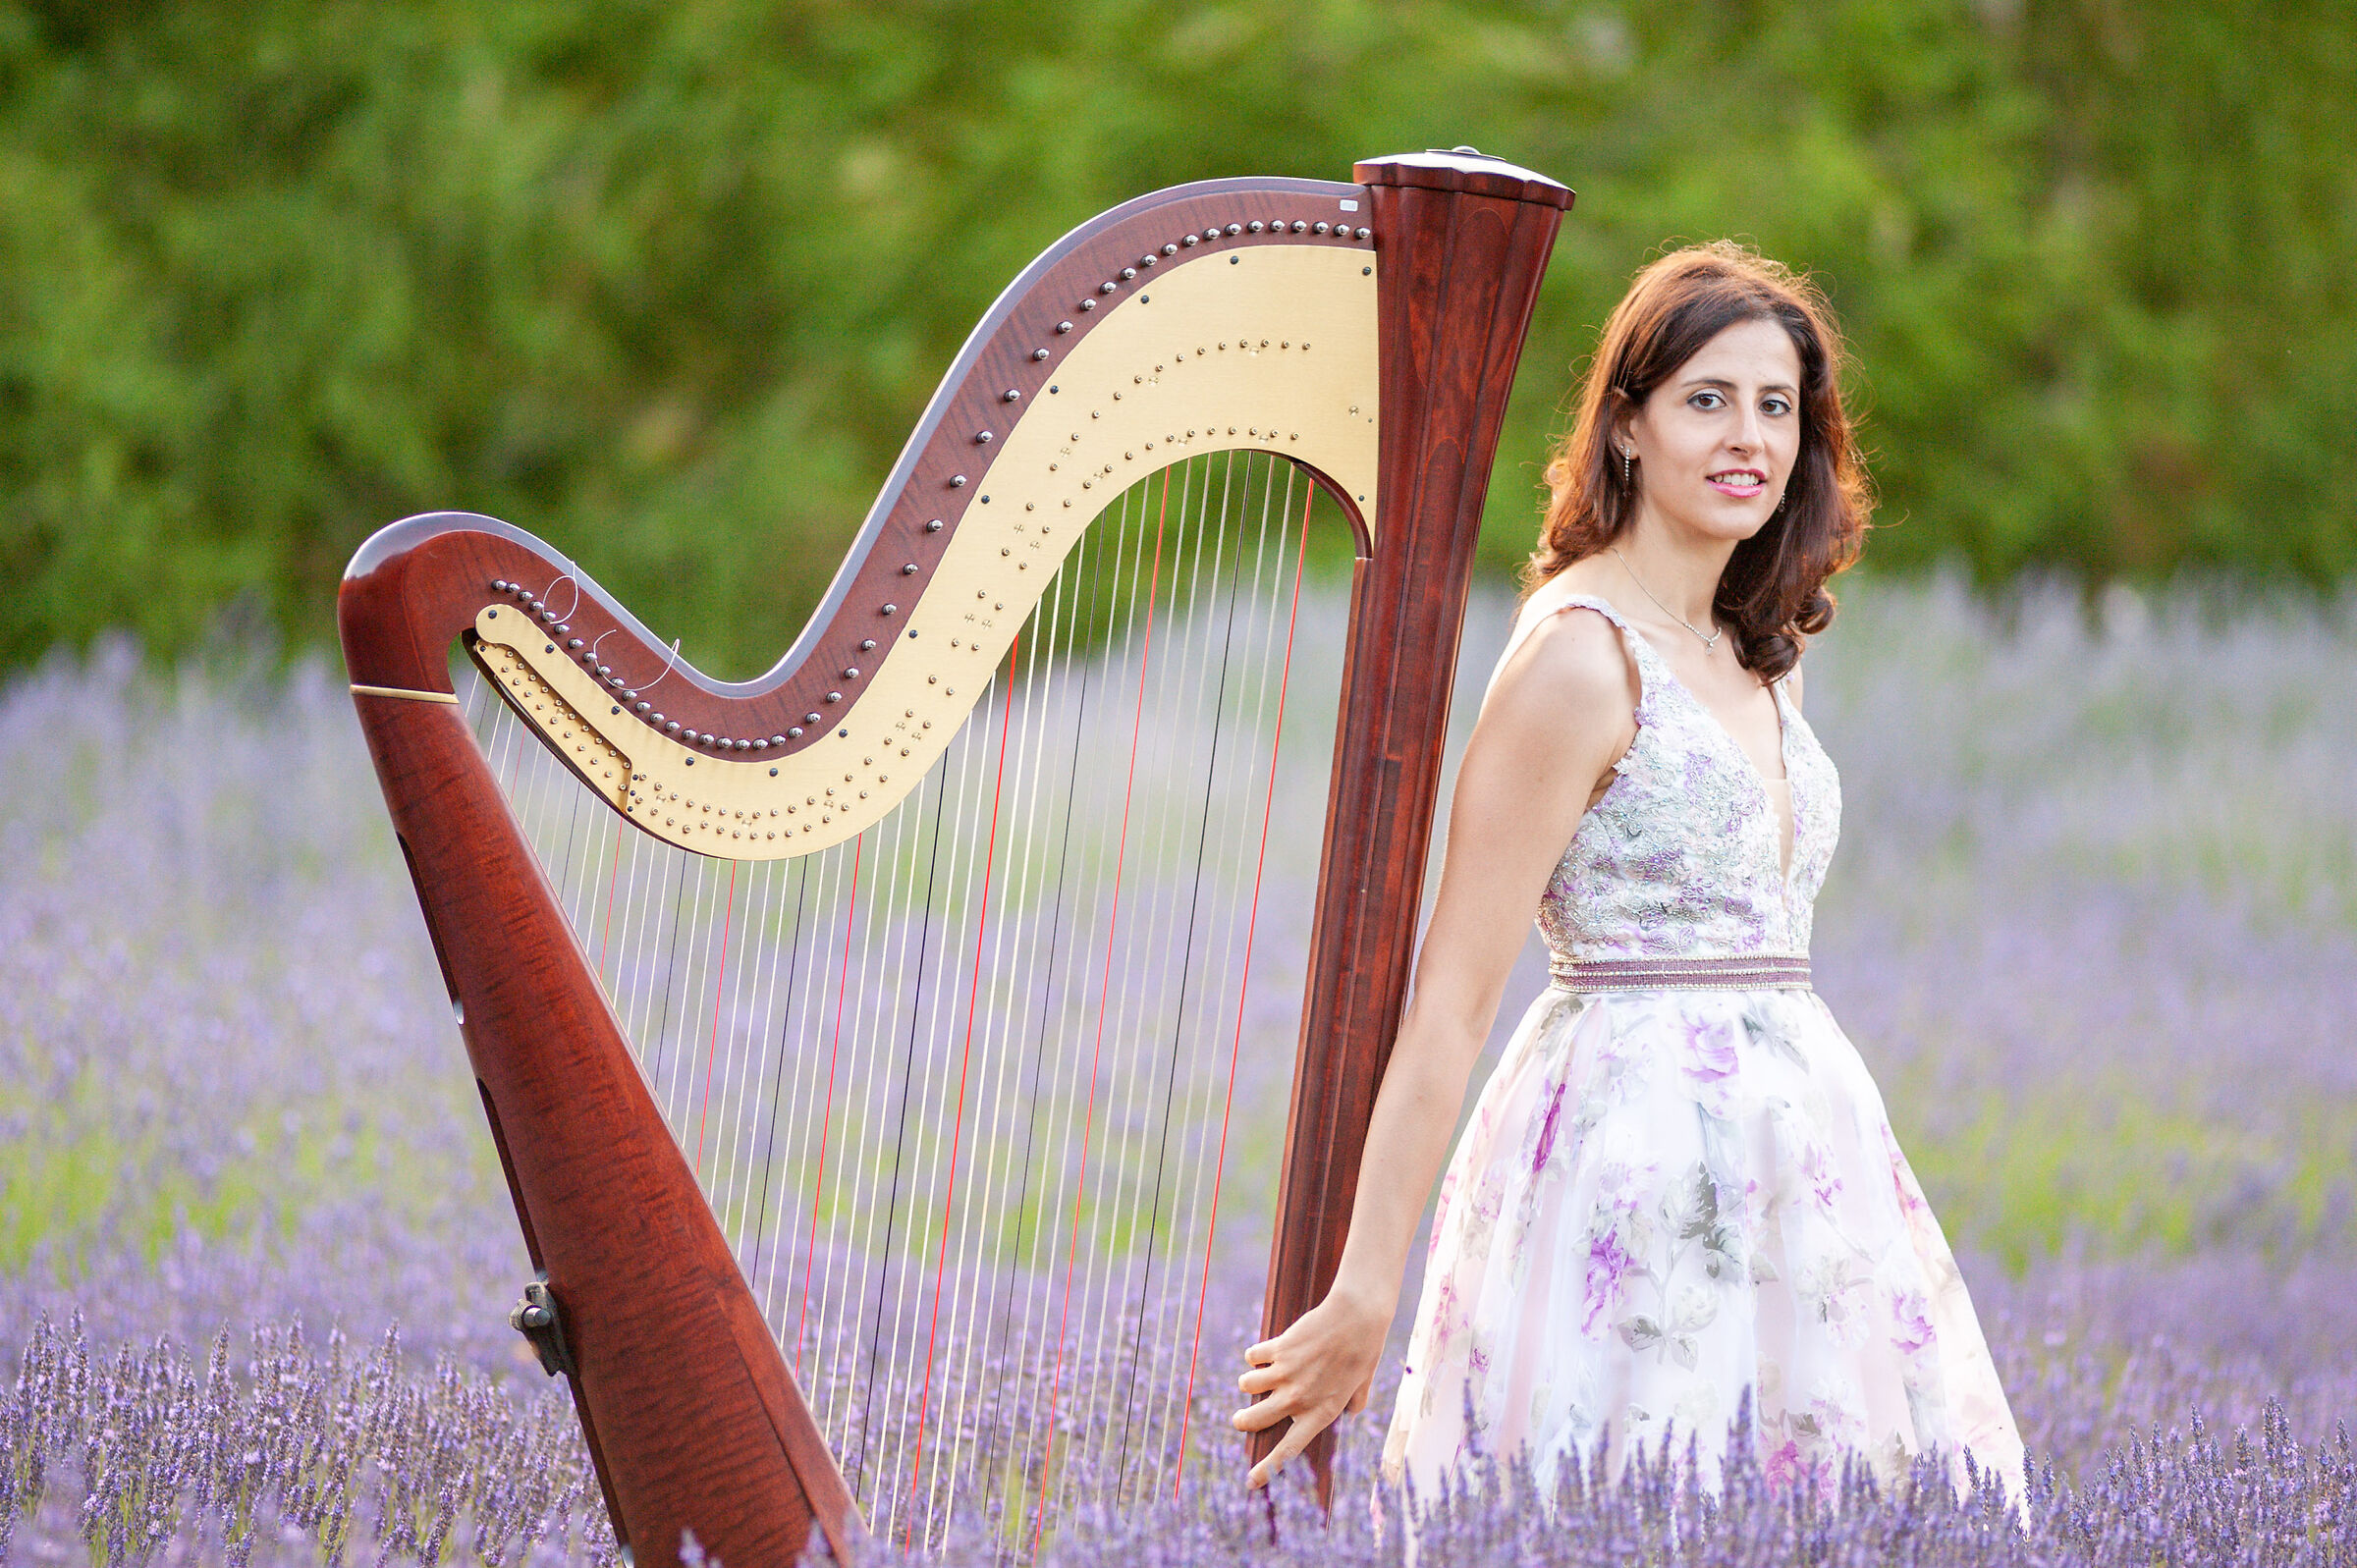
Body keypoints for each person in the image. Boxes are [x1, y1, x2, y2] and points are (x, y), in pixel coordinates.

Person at [1231, 241, 2026, 1507]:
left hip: (1798, 1150)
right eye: (1707, 399)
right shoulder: (1579, 661)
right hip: (1626, 1154)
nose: (1747, 437)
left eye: (1778, 407)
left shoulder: (1760, 655)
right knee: (1621, 1503)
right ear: (1624, 428)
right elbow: (1450, 1001)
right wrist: (1365, 1287)